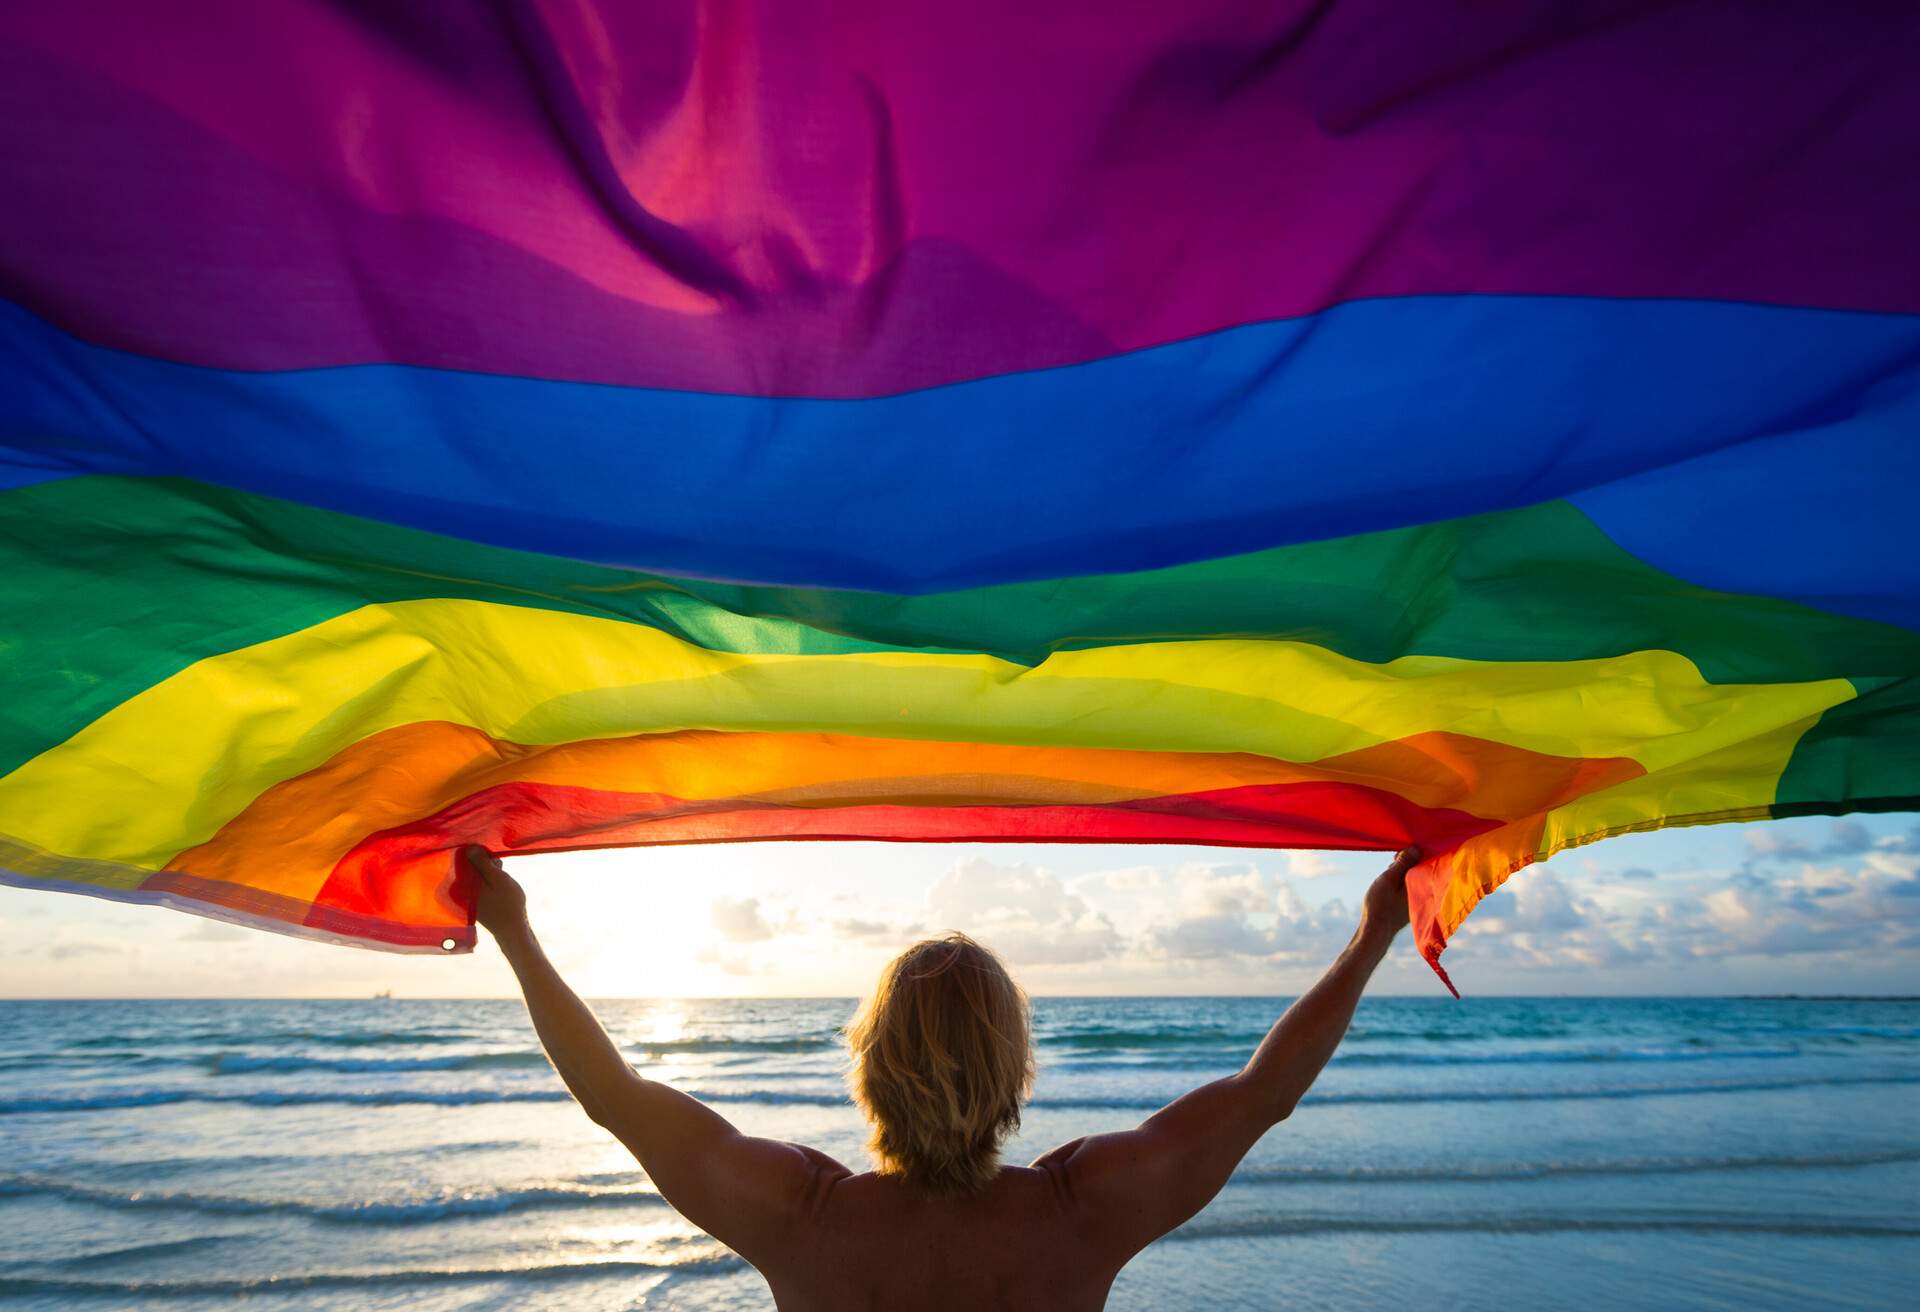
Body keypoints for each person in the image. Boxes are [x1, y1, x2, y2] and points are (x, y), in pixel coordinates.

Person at [463, 844, 1420, 1310]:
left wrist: (514, 928)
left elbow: (612, 1095)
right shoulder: (1084, 1209)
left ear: (873, 1064)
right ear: (1013, 1069)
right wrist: (1372, 933)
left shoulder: (800, 1216)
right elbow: (1264, 1092)